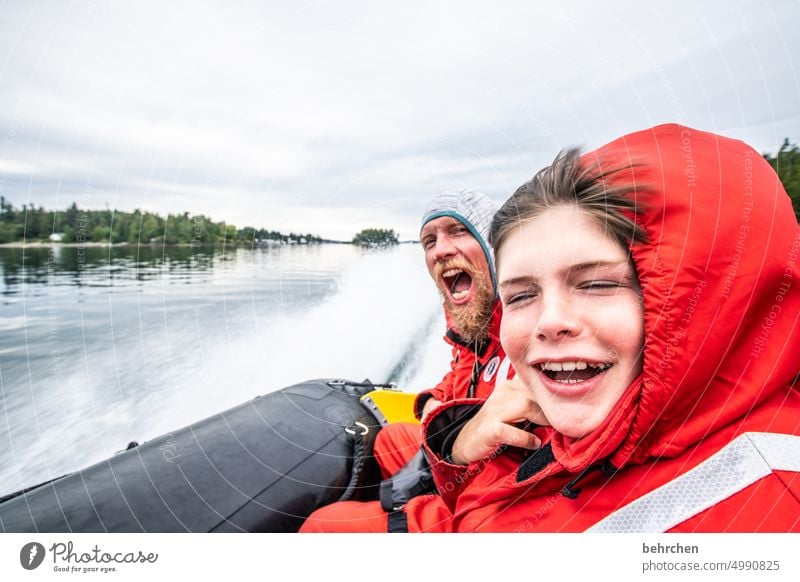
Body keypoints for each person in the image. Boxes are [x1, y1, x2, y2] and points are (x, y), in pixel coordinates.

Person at [409, 123, 800, 532]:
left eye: (596, 284)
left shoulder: (761, 505)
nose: (550, 322)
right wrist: (446, 431)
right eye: (522, 295)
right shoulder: (580, 410)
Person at [301, 189, 513, 532]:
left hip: (499, 500)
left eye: (458, 231)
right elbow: (461, 377)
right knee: (390, 439)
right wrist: (434, 400)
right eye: (429, 241)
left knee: (321, 527)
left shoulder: (525, 324)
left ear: (495, 247)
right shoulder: (474, 325)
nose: (440, 250)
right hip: (466, 462)